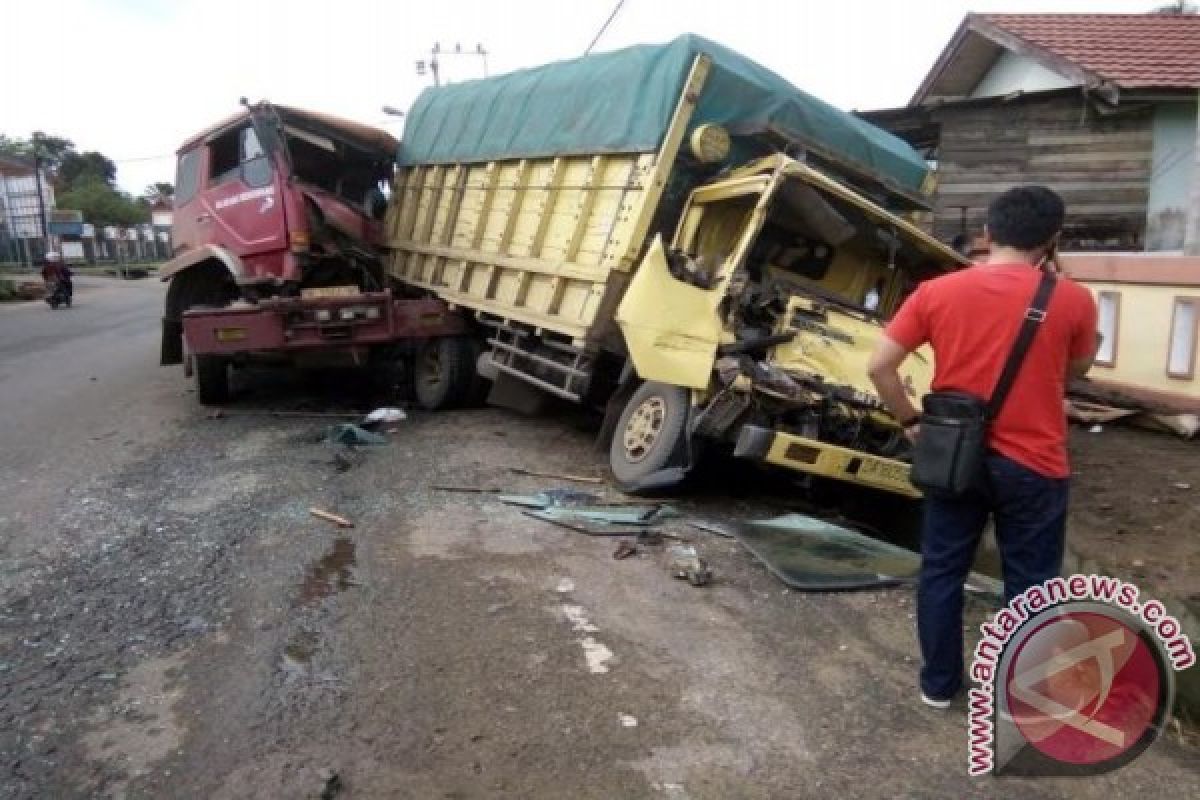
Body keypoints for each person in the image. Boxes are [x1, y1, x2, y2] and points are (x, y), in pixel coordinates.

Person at [866, 186, 1098, 709]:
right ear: (1053, 239)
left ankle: (939, 686)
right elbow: (1077, 370)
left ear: (988, 233)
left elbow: (880, 365)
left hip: (954, 456)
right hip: (1035, 465)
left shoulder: (936, 292)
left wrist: (909, 421)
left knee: (943, 569)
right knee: (1032, 583)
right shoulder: (1074, 299)